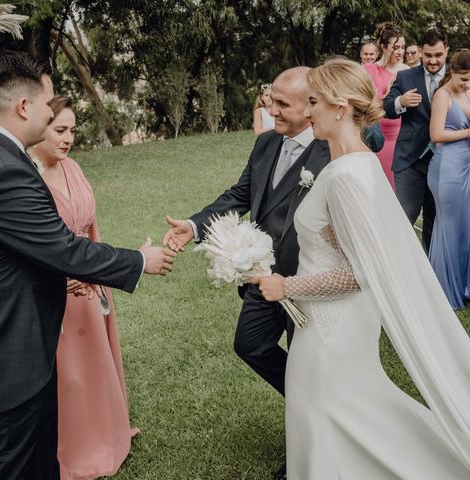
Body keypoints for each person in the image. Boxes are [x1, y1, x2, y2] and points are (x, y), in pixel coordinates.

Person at [251, 56, 470, 480]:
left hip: (331, 328)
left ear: (340, 107)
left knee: (322, 405)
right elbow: (345, 246)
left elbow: (360, 272)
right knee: (337, 411)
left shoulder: (345, 175)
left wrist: (285, 286)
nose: (307, 113)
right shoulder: (355, 164)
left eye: (313, 103)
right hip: (330, 321)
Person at [0, 50, 174, 480]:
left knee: (36, 457)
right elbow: (65, 250)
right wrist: (138, 260)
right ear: (24, 106)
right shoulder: (3, 170)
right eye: (46, 101)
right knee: (13, 462)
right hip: (9, 348)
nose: (49, 111)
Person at [163, 66, 330, 480]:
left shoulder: (332, 151)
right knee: (250, 344)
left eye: (281, 103)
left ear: (312, 107)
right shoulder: (266, 145)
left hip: (306, 280)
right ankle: (313, 406)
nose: (270, 108)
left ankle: (308, 449)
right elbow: (241, 194)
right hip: (262, 275)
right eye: (269, 98)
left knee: (309, 363)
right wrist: (194, 224)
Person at [27, 96, 138, 479]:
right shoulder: (27, 179)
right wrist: (68, 280)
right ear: (38, 127)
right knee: (70, 375)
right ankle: (77, 447)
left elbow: (90, 229)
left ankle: (107, 433)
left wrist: (100, 278)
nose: (68, 138)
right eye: (60, 130)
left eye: (73, 130)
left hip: (90, 284)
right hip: (59, 289)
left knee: (96, 364)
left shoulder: (73, 167)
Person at [384, 28, 449, 253]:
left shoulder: (455, 77)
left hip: (442, 161)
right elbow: (386, 109)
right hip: (410, 160)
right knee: (401, 220)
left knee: (435, 221)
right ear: (421, 52)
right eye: (428, 55)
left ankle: (429, 273)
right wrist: (400, 101)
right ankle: (391, 266)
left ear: (446, 51)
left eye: (438, 55)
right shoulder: (405, 76)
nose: (433, 61)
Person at [427, 49, 470, 309]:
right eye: (464, 79)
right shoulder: (442, 95)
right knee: (447, 228)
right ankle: (441, 292)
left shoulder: (468, 93)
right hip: (445, 166)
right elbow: (436, 134)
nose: (468, 84)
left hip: (463, 165)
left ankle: (458, 287)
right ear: (452, 71)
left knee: (461, 227)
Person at [364, 22, 408, 187]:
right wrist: (387, 93)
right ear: (383, 46)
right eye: (395, 47)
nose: (400, 52)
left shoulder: (406, 71)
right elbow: (365, 106)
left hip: (401, 138)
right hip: (376, 137)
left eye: (403, 47)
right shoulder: (369, 70)